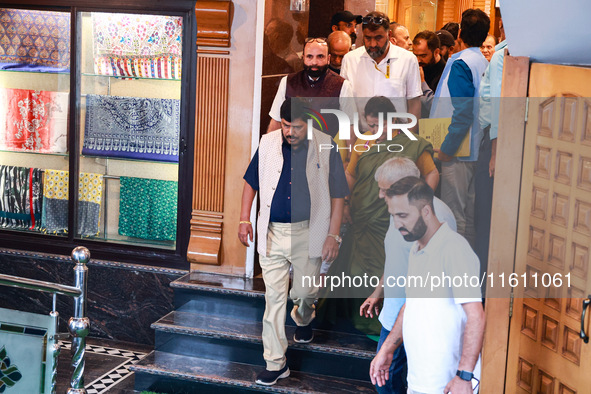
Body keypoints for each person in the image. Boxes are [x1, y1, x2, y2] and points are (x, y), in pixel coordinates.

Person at [239, 98, 349, 386]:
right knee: (273, 300)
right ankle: (276, 363)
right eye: (286, 125)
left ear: (308, 124)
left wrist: (333, 235)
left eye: (296, 127)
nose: (290, 132)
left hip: (309, 230)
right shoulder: (268, 143)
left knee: (303, 293)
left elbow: (338, 193)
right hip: (273, 232)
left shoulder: (325, 145)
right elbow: (251, 182)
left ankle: (304, 317)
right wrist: (243, 219)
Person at [317, 96, 436, 336]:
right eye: (370, 126)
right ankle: (360, 321)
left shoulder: (412, 144)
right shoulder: (363, 144)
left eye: (379, 126)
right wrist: (346, 204)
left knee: (387, 272)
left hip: (393, 221)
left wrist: (421, 202)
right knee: (356, 272)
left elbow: (432, 173)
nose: (374, 132)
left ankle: (384, 326)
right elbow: (350, 176)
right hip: (363, 219)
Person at [370, 176, 485, 394]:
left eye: (403, 216)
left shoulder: (454, 249)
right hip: (420, 380)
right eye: (393, 216)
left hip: (447, 383)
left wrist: (464, 376)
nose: (397, 224)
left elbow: (476, 316)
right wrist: (387, 347)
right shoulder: (416, 249)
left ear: (425, 211)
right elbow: (410, 305)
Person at [359, 158, 456, 394]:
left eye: (384, 189)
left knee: (386, 378)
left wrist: (392, 340)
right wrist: (378, 292)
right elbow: (397, 258)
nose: (381, 195)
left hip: (414, 316)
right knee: (386, 378)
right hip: (396, 310)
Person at [429, 8, 490, 247]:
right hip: (476, 147)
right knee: (469, 214)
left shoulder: (462, 64)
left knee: (455, 216)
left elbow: (463, 113)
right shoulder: (483, 61)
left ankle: (456, 277)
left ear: (460, 33)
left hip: (458, 151)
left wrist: (447, 148)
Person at [340, 11, 422, 131]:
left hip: (397, 137)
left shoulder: (407, 59)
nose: (373, 44)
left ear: (389, 34)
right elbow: (346, 106)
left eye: (378, 38)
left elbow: (414, 103)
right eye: (368, 38)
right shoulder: (350, 60)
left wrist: (409, 141)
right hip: (362, 137)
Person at [267, 37, 355, 136]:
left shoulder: (343, 85)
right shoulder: (287, 82)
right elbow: (276, 121)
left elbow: (350, 127)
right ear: (303, 57)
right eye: (309, 56)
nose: (314, 62)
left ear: (328, 59)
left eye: (320, 56)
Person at [475, 13, 506, 279]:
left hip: (495, 144)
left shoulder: (502, 56)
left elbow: (496, 104)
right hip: (496, 140)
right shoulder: (503, 53)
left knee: (487, 216)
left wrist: (494, 153)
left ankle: (487, 283)